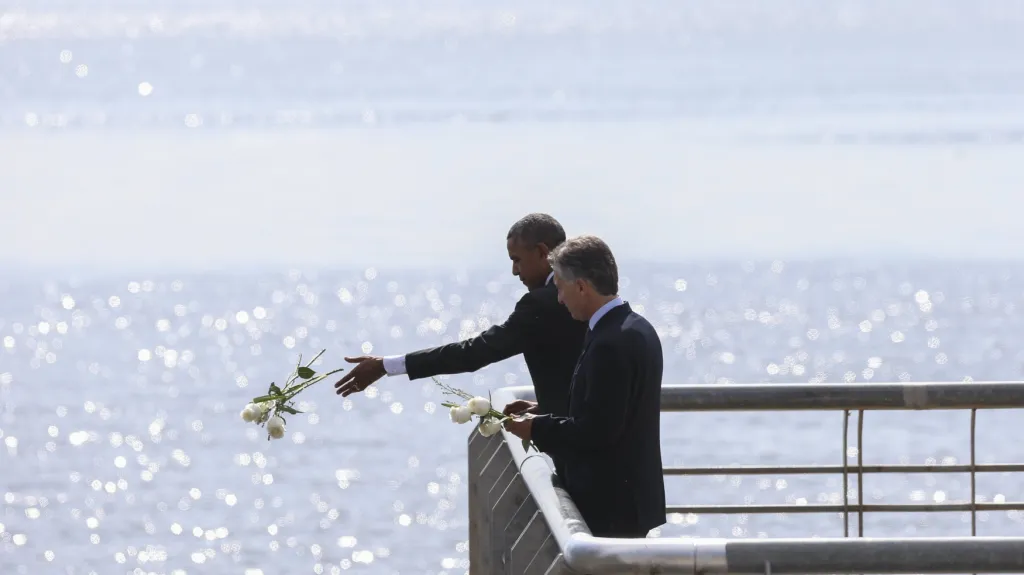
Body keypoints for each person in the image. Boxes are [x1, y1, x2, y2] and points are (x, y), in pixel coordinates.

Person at [334, 213, 588, 429]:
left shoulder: (542, 303)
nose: (514, 271)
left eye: (517, 260)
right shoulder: (585, 291)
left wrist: (386, 366)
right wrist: (545, 406)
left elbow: (473, 353)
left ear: (543, 252)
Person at [503, 235, 666, 539]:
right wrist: (546, 410)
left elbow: (598, 431)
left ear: (581, 286)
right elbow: (612, 408)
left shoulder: (609, 343)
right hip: (630, 497)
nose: (559, 299)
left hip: (611, 503)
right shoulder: (637, 327)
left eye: (561, 289)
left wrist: (536, 429)